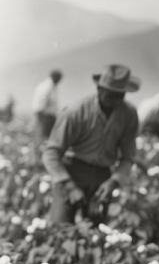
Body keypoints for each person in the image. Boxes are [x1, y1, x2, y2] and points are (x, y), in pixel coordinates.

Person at [42, 64, 140, 224]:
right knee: (60, 230)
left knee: (97, 234)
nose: (115, 102)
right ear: (99, 89)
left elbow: (128, 157)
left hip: (103, 178)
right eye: (110, 95)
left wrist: (113, 181)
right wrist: (70, 186)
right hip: (71, 173)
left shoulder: (129, 114)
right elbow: (51, 153)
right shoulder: (75, 112)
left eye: (120, 96)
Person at [33, 69, 63, 148]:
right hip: (44, 115)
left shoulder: (50, 86)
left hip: (46, 115)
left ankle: (42, 152)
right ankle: (40, 153)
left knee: (45, 136)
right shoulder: (47, 87)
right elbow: (41, 105)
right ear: (56, 77)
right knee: (43, 136)